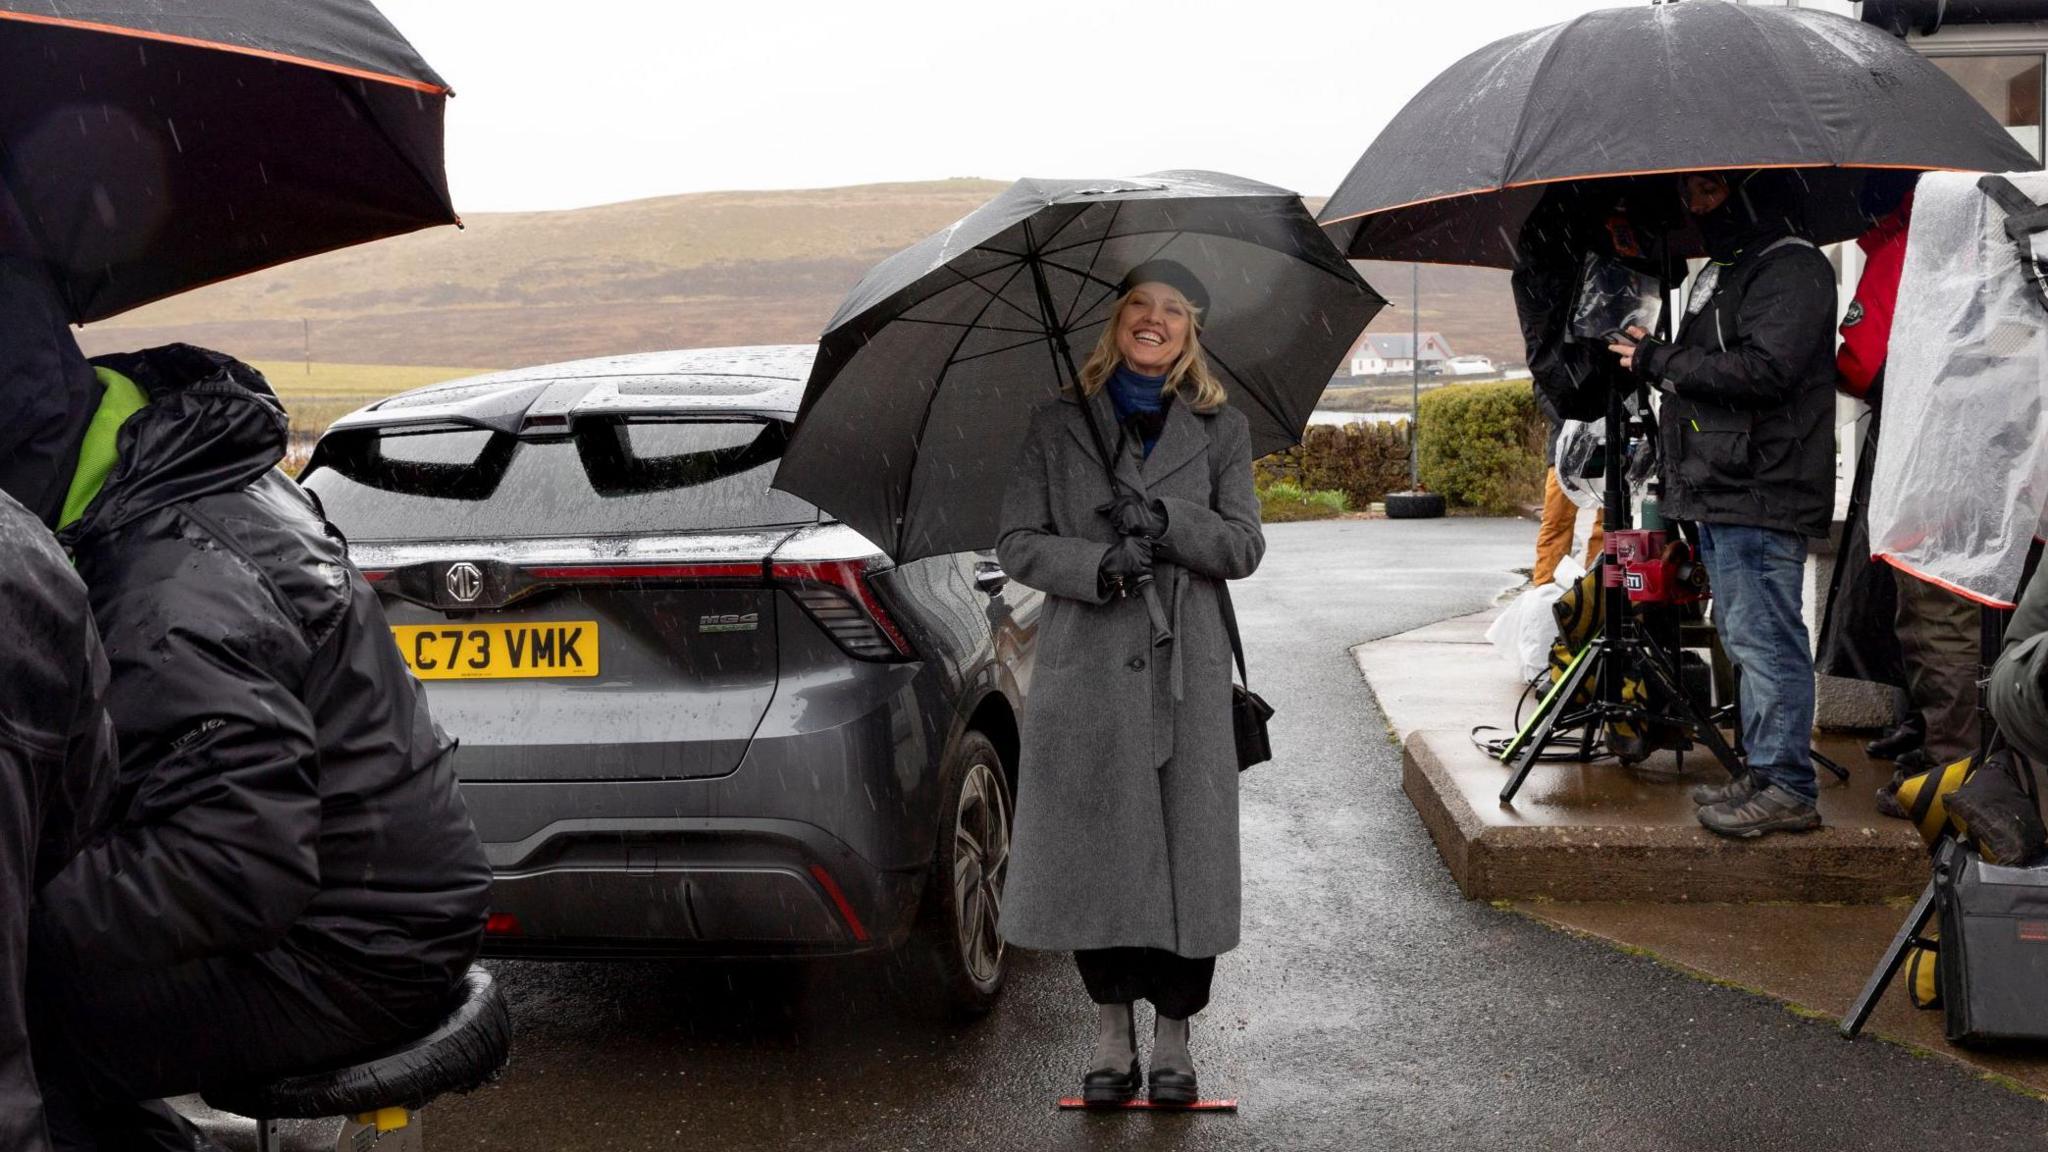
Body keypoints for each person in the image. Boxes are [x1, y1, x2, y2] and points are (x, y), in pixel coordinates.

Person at [17, 339, 492, 1150]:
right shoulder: (171, 473)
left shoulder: (162, 573)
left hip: (347, 950)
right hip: (382, 905)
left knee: (22, 1043)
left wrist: (22, 917)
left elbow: (231, 858)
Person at [996, 260, 1264, 1108]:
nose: (1154, 320)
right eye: (1139, 307)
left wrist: (1171, 524)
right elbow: (1017, 543)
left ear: (1192, 329)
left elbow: (1244, 548)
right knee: (1094, 857)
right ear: (1115, 323)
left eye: (1173, 311)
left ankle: (1176, 1040)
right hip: (1087, 676)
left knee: (1190, 854)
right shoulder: (1055, 425)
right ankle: (1112, 1036)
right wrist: (1099, 563)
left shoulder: (1223, 430)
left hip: (1187, 672)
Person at [1611, 170, 1839, 839]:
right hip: (1729, 486)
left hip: (1761, 489)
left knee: (1766, 640)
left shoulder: (1792, 267)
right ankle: (1765, 772)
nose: (1697, 205)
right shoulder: (1737, 266)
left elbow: (1766, 372)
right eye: (1691, 193)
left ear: (1753, 188)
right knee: (1746, 637)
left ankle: (1788, 784)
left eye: (1711, 190)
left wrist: (1658, 360)